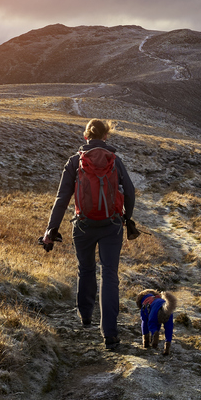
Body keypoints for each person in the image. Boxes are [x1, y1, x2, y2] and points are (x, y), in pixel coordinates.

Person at [41, 118, 136, 350]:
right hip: (111, 225)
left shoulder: (75, 162)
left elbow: (62, 198)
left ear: (86, 137)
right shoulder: (115, 161)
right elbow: (131, 191)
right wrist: (127, 218)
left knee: (86, 269)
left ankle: (85, 316)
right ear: (106, 137)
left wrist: (51, 230)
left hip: (82, 226)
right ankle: (110, 334)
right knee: (110, 275)